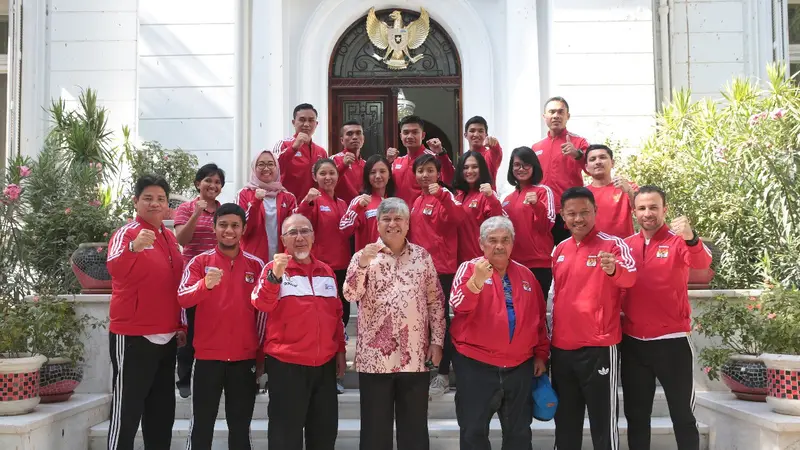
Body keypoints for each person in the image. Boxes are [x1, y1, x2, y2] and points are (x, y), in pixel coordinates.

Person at [344, 197, 446, 450]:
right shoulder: (363, 257)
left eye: (398, 218)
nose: (392, 224)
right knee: (375, 431)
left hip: (415, 356)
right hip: (375, 359)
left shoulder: (422, 257)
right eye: (386, 219)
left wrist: (437, 341)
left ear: (408, 224)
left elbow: (436, 302)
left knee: (414, 431)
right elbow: (350, 294)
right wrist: (363, 265)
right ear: (377, 224)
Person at [621, 185, 712, 450]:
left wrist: (692, 238)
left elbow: (702, 263)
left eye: (653, 207)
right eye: (642, 208)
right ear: (634, 211)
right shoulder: (626, 246)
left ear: (664, 210)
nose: (647, 213)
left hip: (672, 342)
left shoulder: (678, 241)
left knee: (682, 416)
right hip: (634, 343)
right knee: (636, 418)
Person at [450, 216, 549, 449]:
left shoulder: (526, 275)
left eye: (505, 240)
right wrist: (476, 282)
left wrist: (541, 354)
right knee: (473, 432)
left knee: (519, 434)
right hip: (476, 366)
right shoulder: (469, 268)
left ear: (513, 243)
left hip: (520, 367)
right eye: (492, 240)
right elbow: (458, 305)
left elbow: (539, 319)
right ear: (481, 244)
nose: (499, 245)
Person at [550, 186, 637, 450]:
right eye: (572, 214)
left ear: (595, 212)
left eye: (584, 212)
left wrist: (614, 270)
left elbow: (631, 276)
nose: (578, 219)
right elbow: (557, 296)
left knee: (603, 421)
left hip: (599, 348)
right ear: (563, 217)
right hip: (562, 349)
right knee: (565, 422)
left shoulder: (613, 245)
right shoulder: (559, 250)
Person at [251, 214, 346, 450]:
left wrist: (341, 353)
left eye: (305, 231)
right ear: (283, 239)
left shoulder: (326, 272)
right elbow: (261, 304)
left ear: (313, 237)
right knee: (285, 438)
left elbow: (337, 317)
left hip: (323, 366)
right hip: (286, 366)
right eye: (292, 233)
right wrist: (275, 276)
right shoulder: (273, 270)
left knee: (323, 436)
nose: (300, 237)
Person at [106, 175, 185, 450]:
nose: (155, 203)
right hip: (133, 337)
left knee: (161, 414)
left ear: (167, 206)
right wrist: (133, 248)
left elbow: (175, 286)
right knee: (126, 412)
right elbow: (114, 268)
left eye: (161, 199)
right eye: (148, 198)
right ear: (136, 202)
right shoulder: (126, 233)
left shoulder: (171, 239)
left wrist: (180, 325)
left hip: (166, 338)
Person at [177, 203, 265, 450]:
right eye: (223, 224)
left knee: (240, 427)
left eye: (235, 225)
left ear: (243, 229)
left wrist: (260, 356)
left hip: (244, 359)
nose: (229, 230)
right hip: (207, 358)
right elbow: (183, 297)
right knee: (202, 426)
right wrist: (205, 284)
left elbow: (264, 314)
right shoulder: (198, 262)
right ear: (214, 228)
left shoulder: (256, 265)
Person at [407, 154, 463, 399]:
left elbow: (458, 219)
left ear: (439, 174)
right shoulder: (416, 200)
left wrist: (441, 194)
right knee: (423, 323)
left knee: (442, 324)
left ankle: (442, 375)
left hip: (442, 270)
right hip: (419, 271)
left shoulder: (446, 196)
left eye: (430, 170)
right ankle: (425, 370)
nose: (425, 175)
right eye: (421, 170)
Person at [296, 158, 351, 393]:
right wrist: (307, 202)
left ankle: (336, 373)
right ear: (315, 177)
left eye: (332, 173)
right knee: (322, 322)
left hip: (343, 269)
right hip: (320, 271)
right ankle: (321, 372)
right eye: (323, 174)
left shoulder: (343, 203)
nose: (328, 178)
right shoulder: (314, 200)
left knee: (341, 321)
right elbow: (299, 220)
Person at [173, 163, 225, 398]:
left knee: (215, 326)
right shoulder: (185, 208)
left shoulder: (224, 211)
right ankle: (184, 378)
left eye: (217, 182)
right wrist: (197, 213)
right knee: (191, 327)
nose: (213, 186)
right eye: (208, 181)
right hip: (193, 276)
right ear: (197, 183)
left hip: (219, 276)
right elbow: (183, 239)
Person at [532, 96, 590, 245]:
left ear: (567, 116)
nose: (556, 116)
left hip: (570, 211)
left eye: (560, 112)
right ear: (544, 117)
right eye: (552, 112)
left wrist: (577, 154)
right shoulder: (536, 147)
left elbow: (591, 169)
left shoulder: (579, 142)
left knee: (574, 253)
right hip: (543, 211)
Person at [502, 146, 556, 299]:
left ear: (534, 166)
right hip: (512, 264)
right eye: (517, 165)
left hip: (538, 265)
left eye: (526, 164)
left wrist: (536, 205)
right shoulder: (506, 199)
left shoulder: (543, 191)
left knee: (537, 312)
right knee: (516, 310)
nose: (521, 169)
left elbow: (546, 225)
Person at [237, 150, 297, 264]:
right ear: (254, 168)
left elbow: (293, 230)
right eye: (261, 164)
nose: (266, 168)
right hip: (252, 260)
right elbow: (242, 229)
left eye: (270, 164)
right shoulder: (244, 194)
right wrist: (256, 202)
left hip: (281, 260)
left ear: (277, 167)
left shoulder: (288, 197)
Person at [387, 115, 455, 206]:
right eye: (406, 132)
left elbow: (451, 180)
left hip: (425, 214)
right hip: (400, 216)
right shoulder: (396, 162)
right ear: (401, 136)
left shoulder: (433, 158)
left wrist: (441, 153)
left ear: (423, 135)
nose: (410, 136)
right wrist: (387, 162)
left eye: (415, 132)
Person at [453, 150, 504, 265]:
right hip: (460, 262)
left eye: (475, 167)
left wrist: (491, 197)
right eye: (466, 167)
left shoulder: (487, 195)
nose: (470, 171)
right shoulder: (458, 196)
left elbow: (497, 223)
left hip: (481, 261)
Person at [339, 154, 396, 252]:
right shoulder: (360, 201)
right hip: (368, 263)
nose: (378, 176)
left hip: (393, 262)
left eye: (382, 171)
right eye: (372, 172)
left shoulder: (395, 202)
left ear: (389, 174)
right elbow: (344, 229)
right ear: (367, 176)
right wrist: (358, 208)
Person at [272, 103, 328, 200]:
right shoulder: (284, 144)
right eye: (302, 120)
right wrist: (294, 147)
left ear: (316, 124)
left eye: (311, 120)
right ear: (293, 122)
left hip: (313, 205)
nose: (306, 124)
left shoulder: (321, 151)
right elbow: (274, 168)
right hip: (288, 204)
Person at [585, 144, 637, 238]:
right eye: (592, 159)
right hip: (593, 249)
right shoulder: (583, 194)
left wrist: (629, 191)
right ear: (587, 167)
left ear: (612, 163)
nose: (598, 162)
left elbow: (641, 209)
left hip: (623, 247)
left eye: (602, 157)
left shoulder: (626, 187)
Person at [332, 120, 366, 204]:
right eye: (349, 134)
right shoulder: (333, 160)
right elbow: (326, 185)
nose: (355, 137)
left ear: (363, 139)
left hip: (362, 211)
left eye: (358, 133)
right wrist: (343, 165)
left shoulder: (366, 164)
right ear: (342, 140)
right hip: (340, 212)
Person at [463, 116, 503, 185]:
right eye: (472, 131)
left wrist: (495, 145)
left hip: (487, 195)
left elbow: (497, 153)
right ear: (465, 135)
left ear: (486, 135)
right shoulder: (463, 158)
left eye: (480, 131)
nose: (476, 134)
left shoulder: (490, 155)